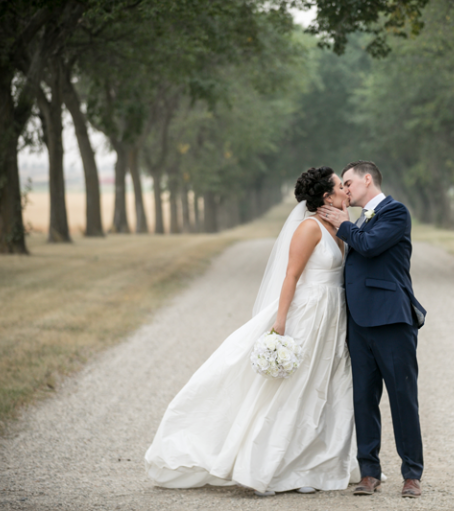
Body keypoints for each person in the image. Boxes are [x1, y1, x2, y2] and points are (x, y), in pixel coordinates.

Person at [144, 167, 360, 496]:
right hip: (309, 315)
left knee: (325, 387)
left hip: (333, 317)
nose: (346, 190)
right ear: (326, 196)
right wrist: (280, 325)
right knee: (294, 388)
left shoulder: (340, 226)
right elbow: (290, 277)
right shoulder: (309, 228)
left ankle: (311, 465)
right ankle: (269, 468)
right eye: (339, 186)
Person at [317, 160, 426, 499]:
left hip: (392, 321)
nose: (345, 190)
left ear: (368, 179)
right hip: (360, 323)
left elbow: (369, 245)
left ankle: (411, 474)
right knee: (363, 399)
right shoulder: (361, 219)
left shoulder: (395, 212)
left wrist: (342, 226)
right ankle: (369, 472)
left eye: (348, 183)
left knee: (402, 398)